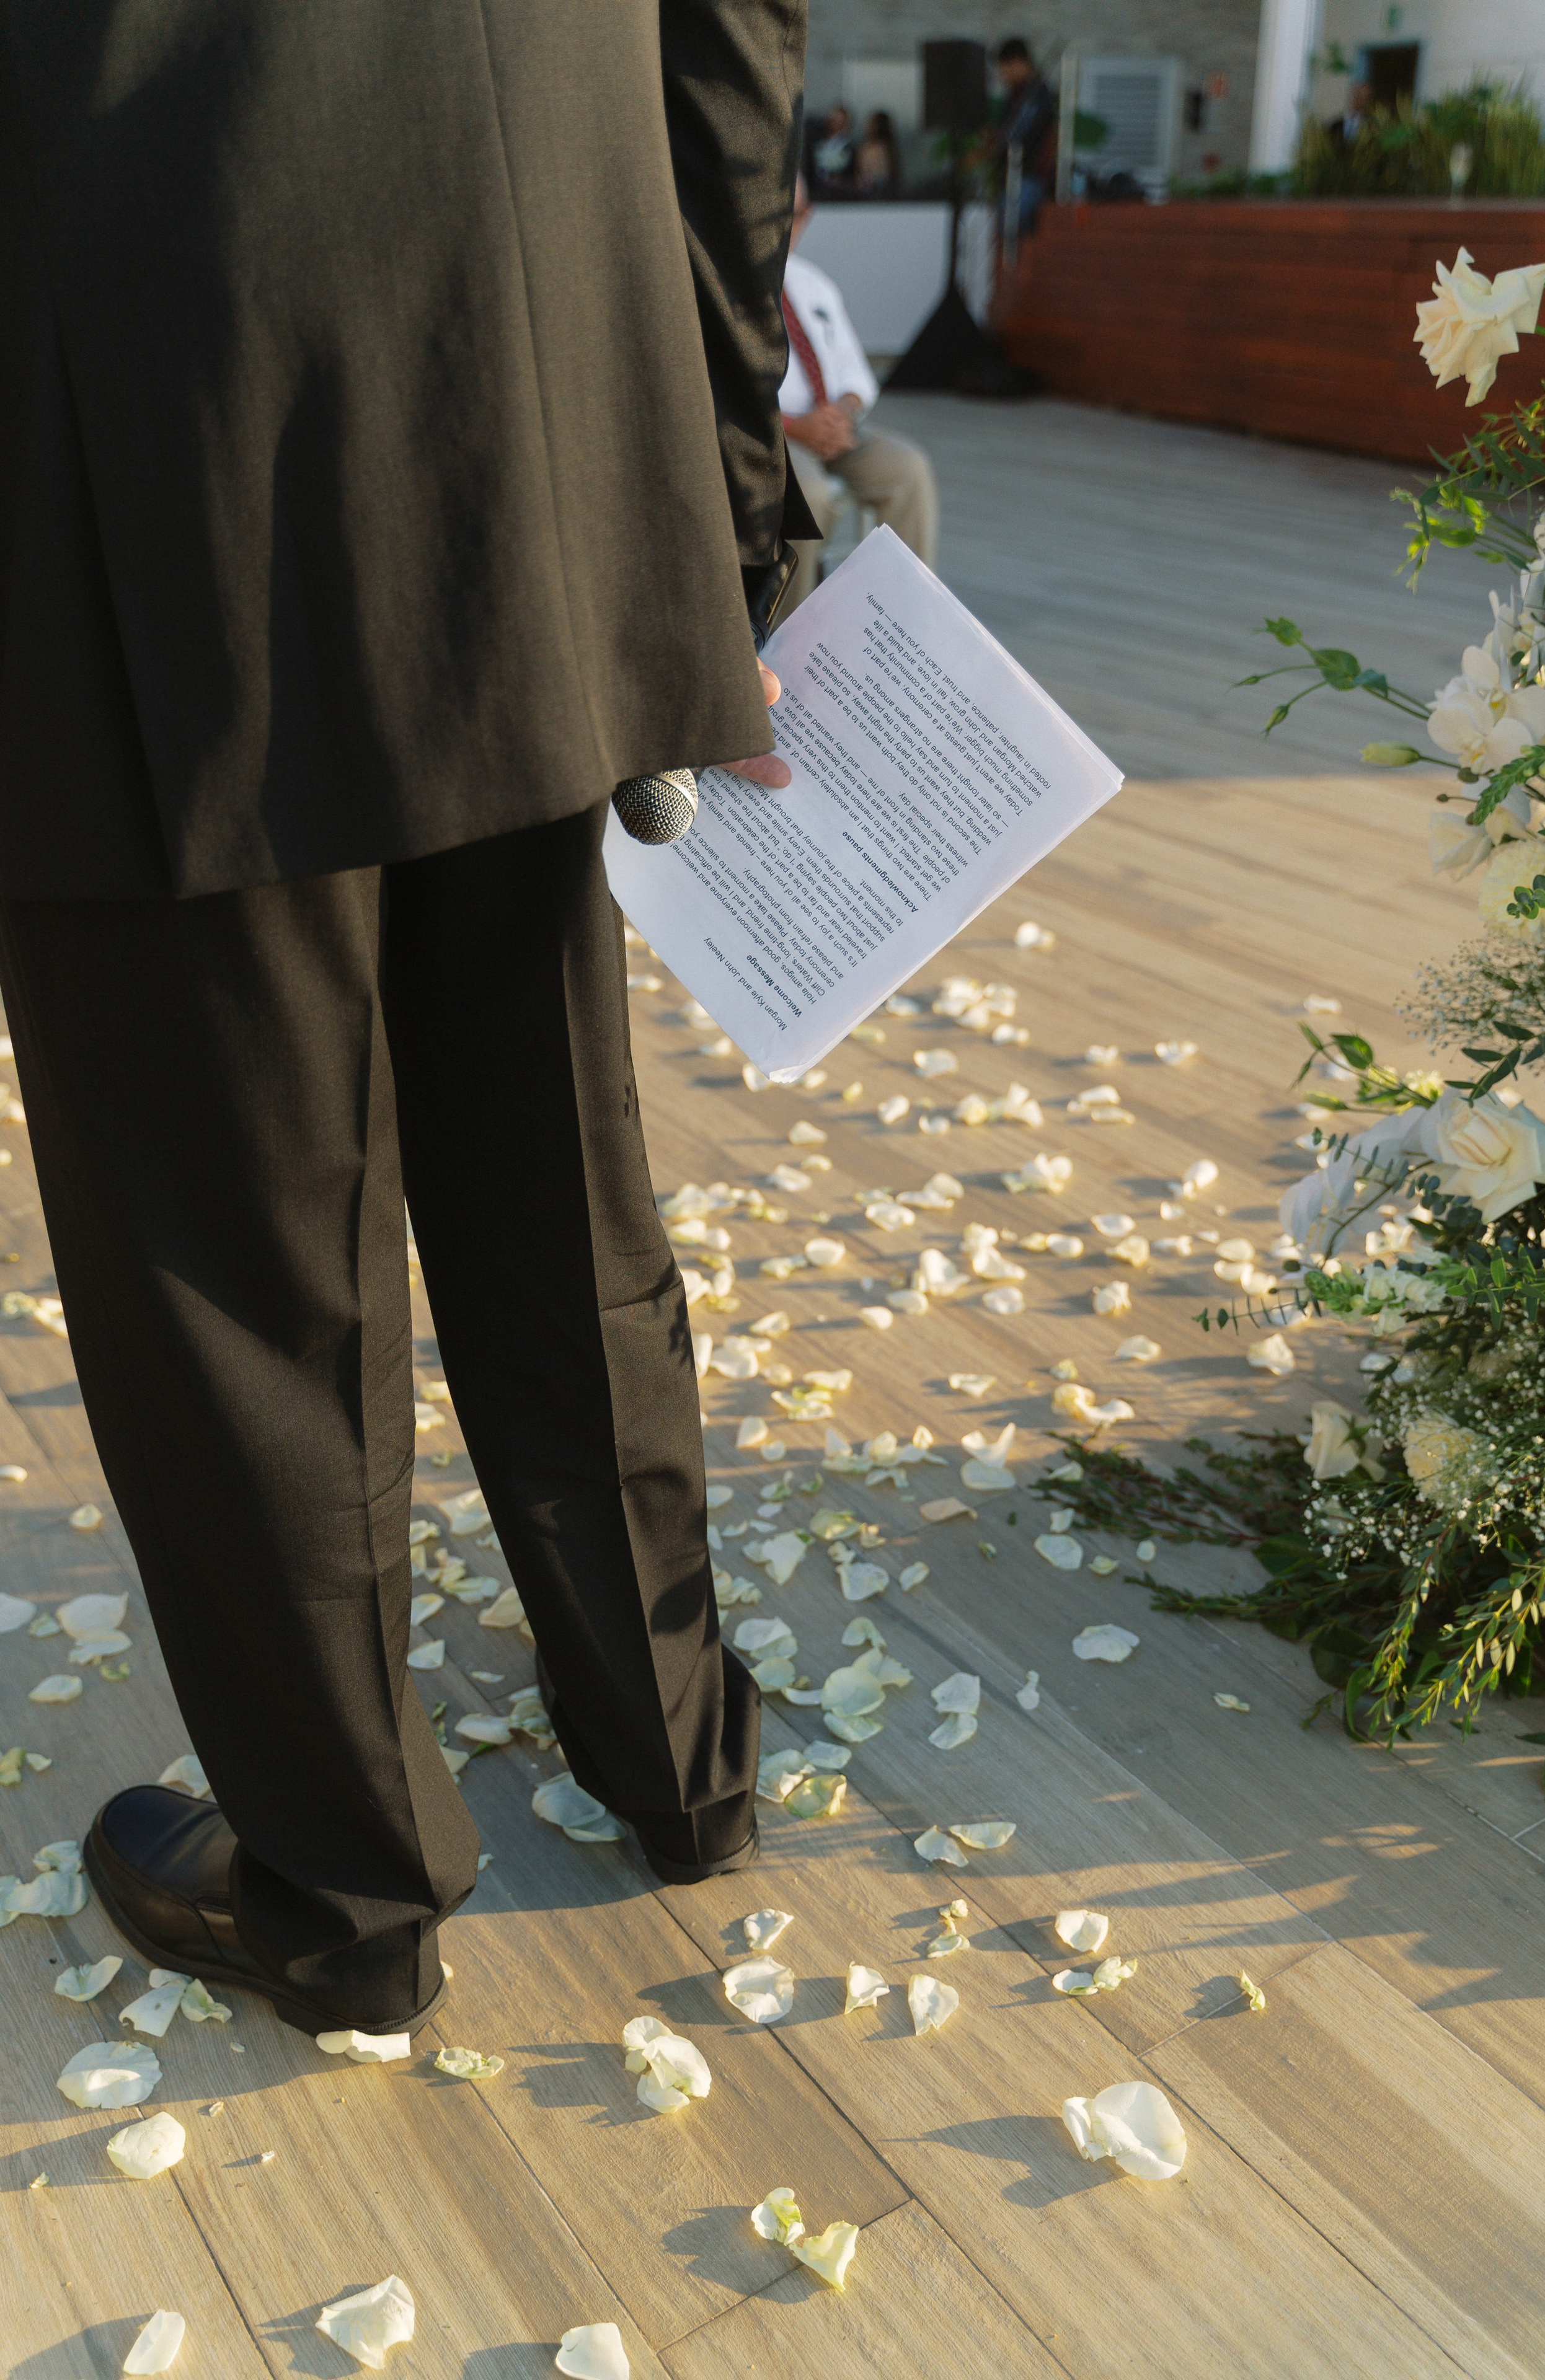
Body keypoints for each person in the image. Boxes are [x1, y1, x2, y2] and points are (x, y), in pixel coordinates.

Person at [0, 0, 817, 2041]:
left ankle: (347, 1897)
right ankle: (675, 1746)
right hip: (543, 311)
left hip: (134, 343)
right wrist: (722, 495)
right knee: (543, 1103)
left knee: (228, 1211)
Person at [779, 177, 939, 614]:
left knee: (908, 468)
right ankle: (791, 638)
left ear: (806, 217)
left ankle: (900, 619)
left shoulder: (815, 284)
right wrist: (796, 426)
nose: (781, 227)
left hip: (835, 426)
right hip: (774, 434)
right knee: (808, 495)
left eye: (791, 215)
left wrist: (841, 413)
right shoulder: (724, 289)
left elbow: (856, 374)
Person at [989, 37, 1056, 234]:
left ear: (1020, 63)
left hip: (1031, 179)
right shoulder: (1016, 97)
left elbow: (1016, 136)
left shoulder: (1036, 96)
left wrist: (992, 148)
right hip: (1014, 179)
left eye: (1005, 68)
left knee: (1012, 219)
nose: (1003, 75)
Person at [855, 110, 901, 199]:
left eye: (872, 124)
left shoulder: (882, 150)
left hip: (880, 192)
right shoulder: (867, 148)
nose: (868, 127)